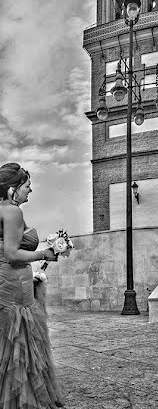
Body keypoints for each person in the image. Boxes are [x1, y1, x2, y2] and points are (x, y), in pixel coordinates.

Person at [0, 163, 64, 408]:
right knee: (18, 342)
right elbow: (13, 254)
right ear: (12, 190)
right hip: (14, 285)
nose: (31, 190)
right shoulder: (12, 211)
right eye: (27, 185)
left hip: (6, 282)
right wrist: (44, 254)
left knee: (7, 342)